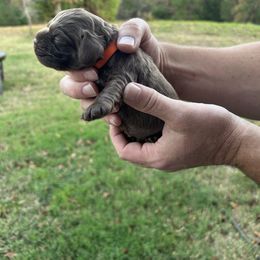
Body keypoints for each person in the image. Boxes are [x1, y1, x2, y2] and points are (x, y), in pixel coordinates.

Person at [60, 18, 260, 183]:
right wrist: (163, 63)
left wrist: (230, 145)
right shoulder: (116, 55)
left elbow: (118, 83)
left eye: (59, 40)